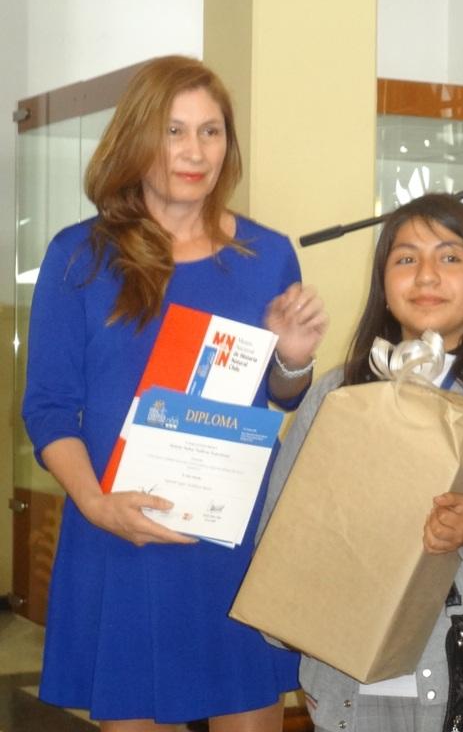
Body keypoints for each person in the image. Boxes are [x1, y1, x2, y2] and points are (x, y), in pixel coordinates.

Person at [21, 55, 327, 730]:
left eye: (211, 132)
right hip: (119, 535)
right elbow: (46, 408)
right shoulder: (79, 256)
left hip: (231, 543)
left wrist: (295, 361)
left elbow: (281, 397)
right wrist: (98, 506)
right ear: (137, 139)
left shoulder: (267, 255)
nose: (195, 152)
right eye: (174, 131)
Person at [257, 193, 463, 732]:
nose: (426, 275)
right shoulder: (341, 390)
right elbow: (281, 532)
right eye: (406, 258)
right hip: (350, 682)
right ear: (384, 281)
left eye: (449, 257)